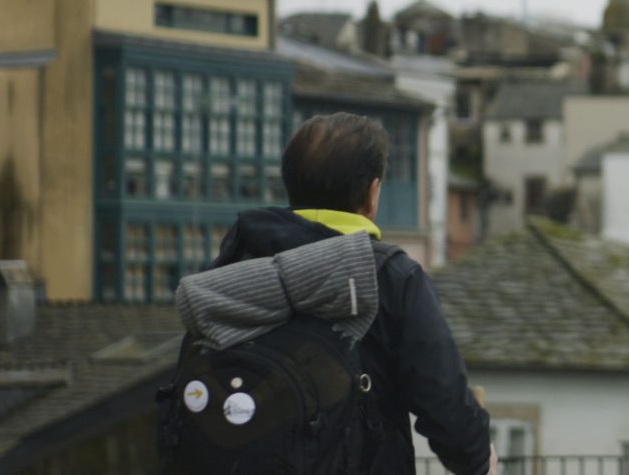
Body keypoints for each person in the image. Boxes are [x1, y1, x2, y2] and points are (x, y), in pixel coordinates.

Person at [178, 113, 495, 475]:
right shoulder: (389, 278)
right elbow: (445, 405)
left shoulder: (235, 264)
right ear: (372, 193)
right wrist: (479, 459)